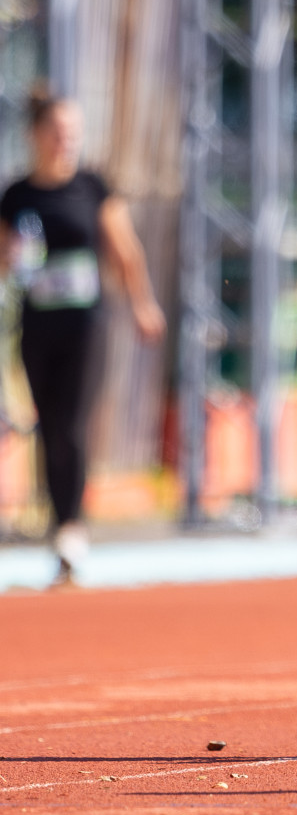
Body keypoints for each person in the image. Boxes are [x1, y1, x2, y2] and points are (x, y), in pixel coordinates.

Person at [0, 90, 166, 587]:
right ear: (36, 134)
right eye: (57, 130)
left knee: (72, 424)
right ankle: (59, 531)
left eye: (73, 131)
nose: (65, 140)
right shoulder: (17, 196)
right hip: (38, 325)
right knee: (49, 429)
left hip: (86, 326)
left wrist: (142, 303)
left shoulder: (93, 187)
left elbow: (125, 250)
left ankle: (72, 531)